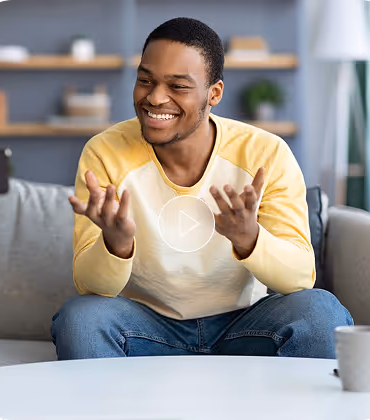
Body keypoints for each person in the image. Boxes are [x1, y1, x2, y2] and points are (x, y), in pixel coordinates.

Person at [51, 17, 353, 359]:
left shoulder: (265, 153)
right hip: (147, 329)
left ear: (214, 94)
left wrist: (249, 238)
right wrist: (116, 245)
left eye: (177, 86)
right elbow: (92, 287)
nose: (155, 98)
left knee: (319, 310)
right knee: (80, 318)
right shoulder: (105, 152)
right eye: (145, 80)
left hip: (246, 325)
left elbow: (299, 278)